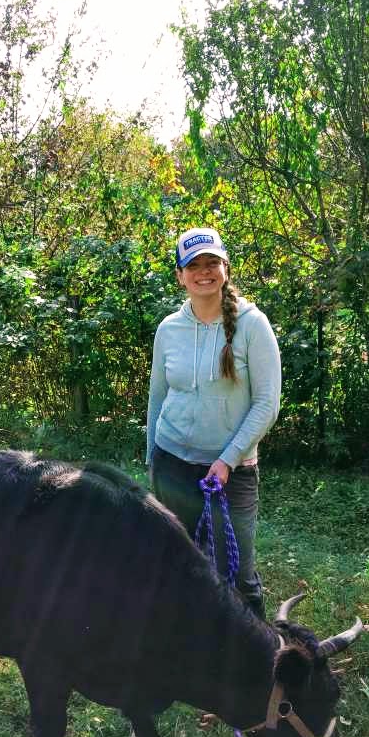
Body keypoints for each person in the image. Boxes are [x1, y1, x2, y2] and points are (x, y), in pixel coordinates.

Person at [146, 227, 281, 619]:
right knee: (180, 562)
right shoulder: (168, 329)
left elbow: (267, 404)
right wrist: (152, 455)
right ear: (180, 275)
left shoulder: (253, 326)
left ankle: (259, 660)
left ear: (225, 268)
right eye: (193, 265)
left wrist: (227, 459)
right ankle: (192, 650)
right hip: (172, 465)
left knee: (237, 575)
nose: (203, 272)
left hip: (231, 473)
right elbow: (158, 397)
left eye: (211, 263)